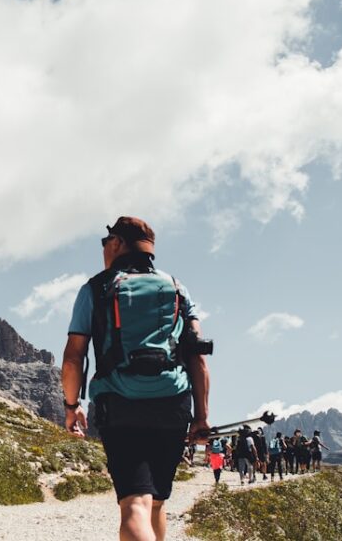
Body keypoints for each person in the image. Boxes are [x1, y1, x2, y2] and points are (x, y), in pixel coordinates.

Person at [61, 216, 210, 541]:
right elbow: (197, 355)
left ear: (117, 244)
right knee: (156, 503)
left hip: (120, 405)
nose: (103, 249)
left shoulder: (96, 288)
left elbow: (74, 357)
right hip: (173, 404)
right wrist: (201, 417)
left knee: (134, 506)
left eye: (105, 243)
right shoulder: (177, 288)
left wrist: (72, 406)